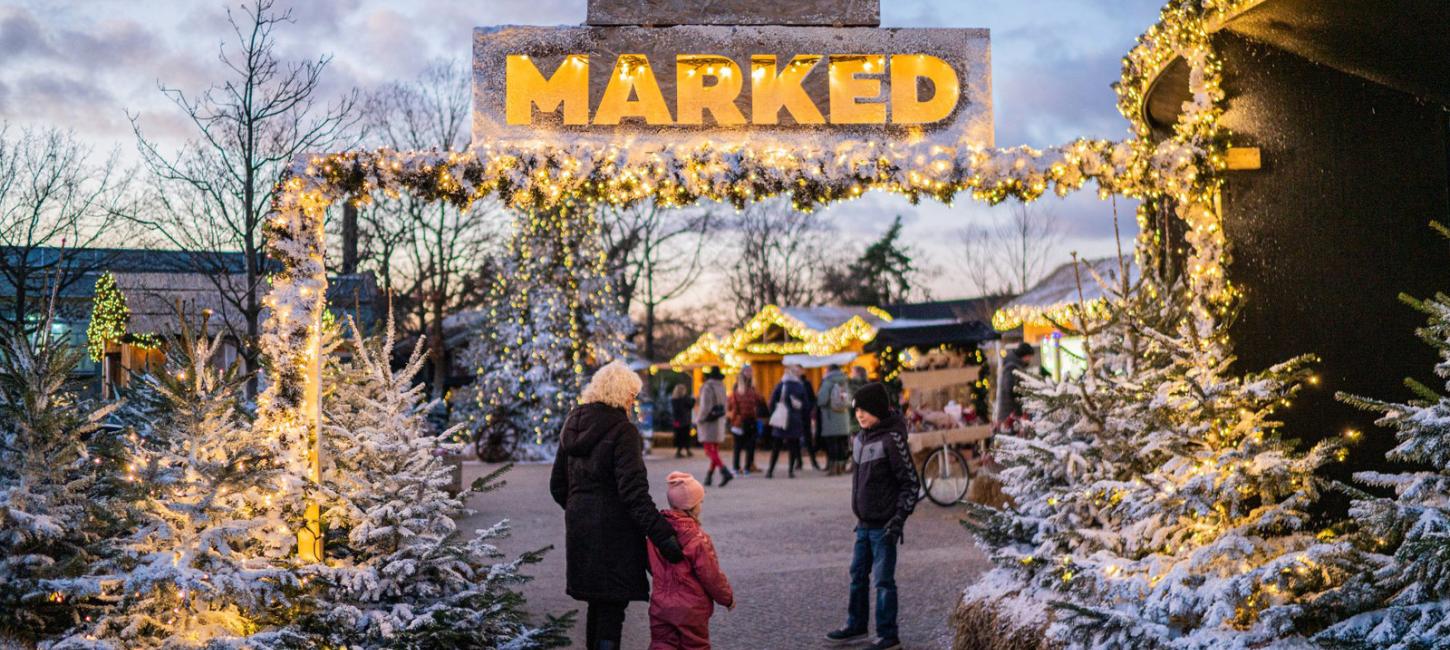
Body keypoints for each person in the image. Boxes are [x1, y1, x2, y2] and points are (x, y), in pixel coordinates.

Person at [551, 361, 686, 650]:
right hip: (615, 536)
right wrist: (664, 537)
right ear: (621, 393)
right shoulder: (623, 432)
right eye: (631, 395)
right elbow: (634, 493)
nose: (632, 402)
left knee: (597, 605)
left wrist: (582, 511)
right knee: (612, 611)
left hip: (581, 532)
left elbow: (558, 486)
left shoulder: (572, 425)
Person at [825, 382, 919, 650]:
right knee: (857, 574)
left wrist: (898, 519)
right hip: (864, 524)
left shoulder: (892, 439)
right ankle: (856, 624)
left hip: (885, 525)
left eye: (865, 410)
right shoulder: (860, 438)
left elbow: (911, 483)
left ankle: (888, 635)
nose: (860, 415)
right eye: (857, 411)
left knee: (883, 581)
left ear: (878, 409)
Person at [647, 471, 735, 649]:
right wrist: (727, 598)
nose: (701, 506)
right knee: (695, 646)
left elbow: (650, 564)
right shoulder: (697, 537)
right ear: (693, 506)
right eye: (700, 502)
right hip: (691, 609)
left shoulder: (657, 535)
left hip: (660, 605)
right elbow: (711, 575)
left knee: (662, 645)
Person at [766, 364, 811, 479]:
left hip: (781, 418)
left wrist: (773, 414)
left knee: (776, 446)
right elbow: (806, 405)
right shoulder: (800, 387)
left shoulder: (781, 385)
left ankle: (770, 470)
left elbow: (772, 402)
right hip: (795, 419)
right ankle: (790, 471)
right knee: (793, 446)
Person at [695, 368, 733, 487]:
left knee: (708, 450)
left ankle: (724, 471)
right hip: (719, 421)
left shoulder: (707, 387)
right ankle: (709, 476)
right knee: (714, 450)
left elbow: (705, 406)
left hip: (708, 422)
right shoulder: (722, 386)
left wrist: (699, 419)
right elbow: (725, 404)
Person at [727, 366, 766, 475]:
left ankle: (743, 467)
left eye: (751, 371)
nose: (750, 373)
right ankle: (742, 467)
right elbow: (735, 404)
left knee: (745, 445)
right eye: (748, 371)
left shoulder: (748, 388)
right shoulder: (743, 389)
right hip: (744, 419)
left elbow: (757, 400)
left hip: (745, 419)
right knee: (743, 445)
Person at [817, 364, 852, 476]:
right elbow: (849, 400)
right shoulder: (845, 382)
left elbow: (821, 400)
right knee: (842, 444)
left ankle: (833, 468)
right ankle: (841, 467)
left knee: (832, 444)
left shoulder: (827, 382)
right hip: (844, 418)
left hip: (830, 418)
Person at [994, 342, 1036, 429]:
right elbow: (1010, 388)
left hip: (1012, 411)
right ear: (1025, 355)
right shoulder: (1011, 368)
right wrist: (1022, 395)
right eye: (1029, 357)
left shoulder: (1015, 366)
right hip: (1010, 412)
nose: (1030, 360)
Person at [670, 383, 695, 458]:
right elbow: (691, 404)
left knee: (679, 436)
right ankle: (688, 450)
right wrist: (693, 399)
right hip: (685, 420)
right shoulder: (685, 398)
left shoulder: (674, 399)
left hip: (677, 421)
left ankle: (679, 451)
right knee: (686, 436)